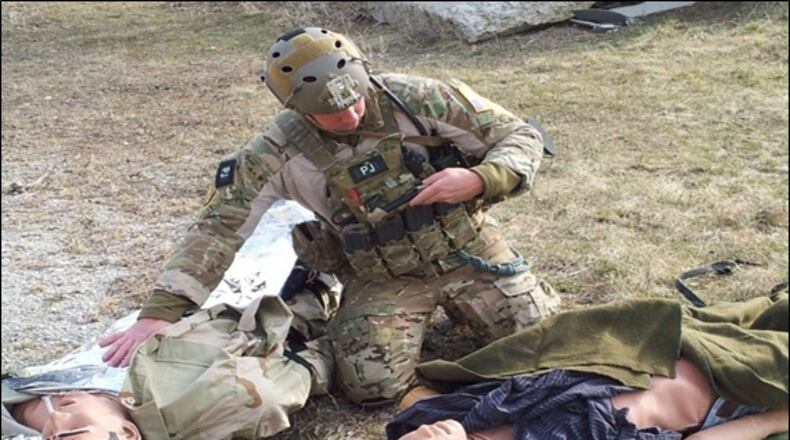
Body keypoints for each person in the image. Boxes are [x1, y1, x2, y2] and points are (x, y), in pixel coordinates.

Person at [99, 26, 562, 406]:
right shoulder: (274, 151)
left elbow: (518, 135)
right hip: (382, 274)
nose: (351, 113)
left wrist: (483, 178)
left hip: (468, 248)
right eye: (331, 111)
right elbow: (219, 226)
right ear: (296, 108)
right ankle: (329, 308)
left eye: (356, 98)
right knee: (369, 387)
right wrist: (162, 312)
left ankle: (485, 305)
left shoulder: (417, 98)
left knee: (542, 341)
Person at [387, 293, 790, 440]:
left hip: (653, 342)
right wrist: (772, 421)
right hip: (737, 385)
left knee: (769, 310)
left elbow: (423, 395)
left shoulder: (444, 415)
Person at [2, 265, 338, 440]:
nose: (57, 421)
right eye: (73, 432)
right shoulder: (210, 406)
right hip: (249, 306)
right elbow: (296, 364)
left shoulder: (24, 415)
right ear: (131, 432)